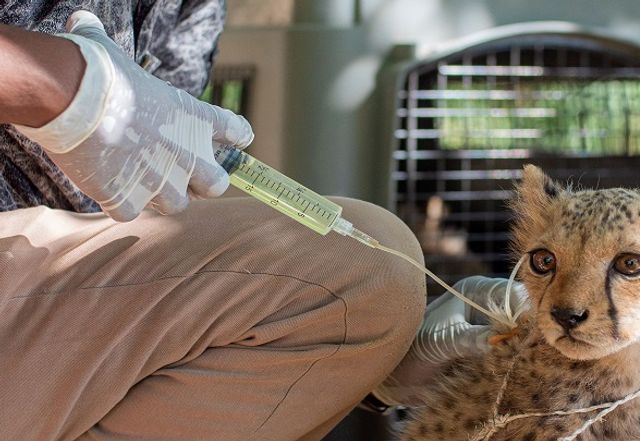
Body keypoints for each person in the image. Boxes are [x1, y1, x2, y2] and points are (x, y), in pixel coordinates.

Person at [0, 4, 502, 441]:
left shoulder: (191, 8)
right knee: (359, 268)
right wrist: (70, 90)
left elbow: (162, 195)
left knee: (369, 281)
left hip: (61, 282)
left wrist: (366, 359)